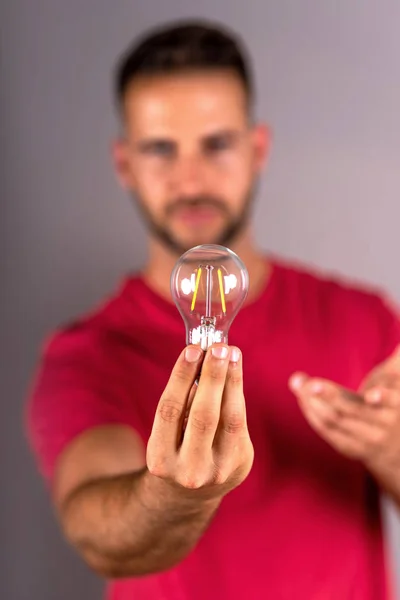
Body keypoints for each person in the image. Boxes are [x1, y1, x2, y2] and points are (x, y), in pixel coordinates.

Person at [26, 19, 400, 600]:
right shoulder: (88, 355)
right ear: (124, 164)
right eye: (160, 150)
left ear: (257, 150)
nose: (191, 179)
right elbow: (98, 532)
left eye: (216, 144)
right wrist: (173, 497)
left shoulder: (364, 320)